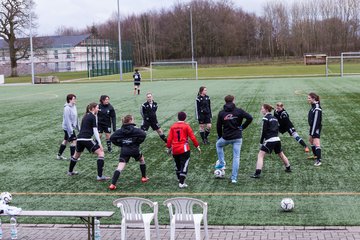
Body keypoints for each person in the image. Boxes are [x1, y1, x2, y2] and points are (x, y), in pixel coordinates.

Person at [67, 102, 110, 181]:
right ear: (93, 108)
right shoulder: (92, 116)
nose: (98, 109)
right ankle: (99, 176)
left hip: (79, 139)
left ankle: (70, 172)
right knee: (101, 153)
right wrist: (99, 143)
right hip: (86, 139)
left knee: (76, 156)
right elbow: (95, 130)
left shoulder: (86, 116)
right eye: (97, 107)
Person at [215, 95, 253, 183]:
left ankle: (221, 163)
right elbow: (250, 118)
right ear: (233, 101)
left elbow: (218, 126)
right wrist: (242, 127)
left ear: (225, 101)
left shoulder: (221, 113)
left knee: (218, 144)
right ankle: (234, 178)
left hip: (226, 137)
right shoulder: (239, 111)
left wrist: (220, 136)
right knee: (236, 157)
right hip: (237, 137)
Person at [251, 104, 292, 178]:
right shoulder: (275, 118)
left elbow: (263, 131)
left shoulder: (265, 119)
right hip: (277, 139)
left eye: (262, 108)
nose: (261, 110)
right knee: (281, 154)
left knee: (260, 155)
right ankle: (288, 168)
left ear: (266, 110)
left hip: (270, 140)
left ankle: (257, 173)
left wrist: (261, 142)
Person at [108, 115, 148, 190]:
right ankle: (144, 177)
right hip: (135, 150)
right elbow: (143, 134)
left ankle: (112, 184)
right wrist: (137, 142)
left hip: (125, 150)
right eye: (133, 119)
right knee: (142, 160)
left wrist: (121, 144)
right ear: (130, 120)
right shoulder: (135, 129)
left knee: (119, 167)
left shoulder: (120, 130)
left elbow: (112, 138)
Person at [166, 112, 201, 188]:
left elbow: (169, 139)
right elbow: (192, 137)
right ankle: (181, 183)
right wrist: (197, 146)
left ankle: (179, 179)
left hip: (175, 149)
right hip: (184, 149)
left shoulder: (173, 126)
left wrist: (168, 148)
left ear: (178, 117)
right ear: (185, 118)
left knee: (178, 165)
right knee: (184, 165)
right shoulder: (186, 126)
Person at [56, 94, 78, 160]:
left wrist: (77, 126)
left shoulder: (74, 106)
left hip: (71, 127)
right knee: (74, 141)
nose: (75, 100)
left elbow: (76, 117)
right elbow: (67, 120)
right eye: (74, 99)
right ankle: (73, 157)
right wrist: (71, 131)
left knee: (65, 140)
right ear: (69, 100)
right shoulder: (67, 108)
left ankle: (59, 155)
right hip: (68, 128)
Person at [307, 92, 323, 166]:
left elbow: (316, 121)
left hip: (315, 127)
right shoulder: (313, 106)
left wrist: (313, 132)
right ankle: (315, 155)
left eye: (309, 98)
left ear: (313, 98)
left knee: (316, 143)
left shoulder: (316, 108)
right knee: (311, 140)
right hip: (312, 127)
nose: (308, 99)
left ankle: (318, 160)